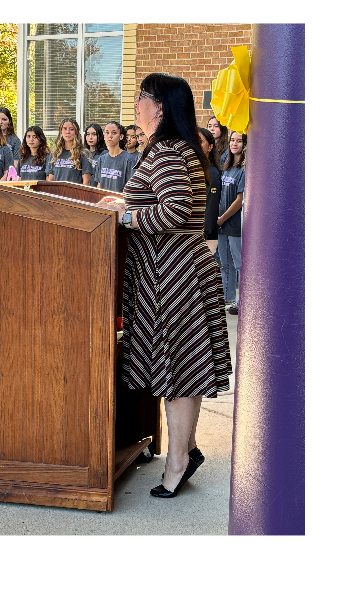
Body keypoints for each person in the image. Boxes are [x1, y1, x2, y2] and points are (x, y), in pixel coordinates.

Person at [117, 74, 231, 499]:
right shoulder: (177, 147)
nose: (136, 104)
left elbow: (174, 210)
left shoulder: (167, 150)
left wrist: (125, 217)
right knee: (185, 368)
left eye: (142, 97)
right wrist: (123, 204)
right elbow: (162, 201)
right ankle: (188, 449)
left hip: (173, 276)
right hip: (177, 271)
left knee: (178, 371)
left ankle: (178, 462)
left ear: (161, 106)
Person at [218, 131, 246, 315]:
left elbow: (239, 200)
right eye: (232, 140)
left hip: (234, 223)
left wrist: (223, 218)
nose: (234, 144)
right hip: (221, 223)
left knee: (238, 264)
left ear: (245, 144)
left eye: (239, 141)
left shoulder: (244, 169)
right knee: (224, 263)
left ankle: (242, 301)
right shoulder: (226, 166)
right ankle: (227, 299)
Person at [197, 128, 222, 257]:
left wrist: (205, 233)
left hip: (206, 237)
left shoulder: (211, 173)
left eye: (200, 141)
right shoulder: (197, 170)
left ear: (210, 147)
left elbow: (211, 206)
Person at [45, 118, 93, 184]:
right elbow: (50, 179)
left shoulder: (83, 153)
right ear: (61, 131)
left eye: (71, 129)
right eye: (65, 129)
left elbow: (87, 181)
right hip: (57, 190)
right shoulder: (55, 153)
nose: (68, 132)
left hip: (74, 190)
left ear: (76, 132)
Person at [94, 120, 136, 193]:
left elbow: (132, 188)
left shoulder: (129, 160)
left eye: (114, 133)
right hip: (104, 199)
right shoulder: (101, 160)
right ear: (104, 136)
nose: (110, 136)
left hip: (120, 199)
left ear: (121, 136)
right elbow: (99, 185)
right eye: (107, 133)